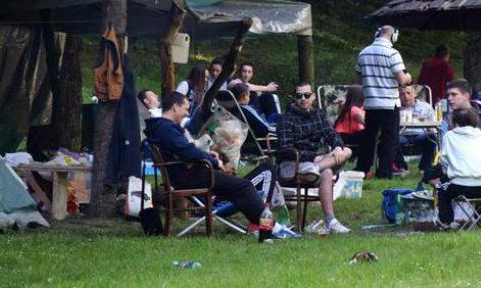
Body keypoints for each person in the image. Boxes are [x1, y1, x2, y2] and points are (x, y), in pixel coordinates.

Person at [144, 92, 267, 229]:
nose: (187, 113)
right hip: (191, 177)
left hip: (183, 177)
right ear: (175, 107)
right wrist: (215, 162)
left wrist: (206, 154)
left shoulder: (158, 127)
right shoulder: (167, 128)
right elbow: (188, 152)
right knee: (244, 186)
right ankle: (268, 227)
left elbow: (184, 150)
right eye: (186, 109)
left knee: (238, 188)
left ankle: (264, 226)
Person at [277, 82, 352, 234]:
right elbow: (285, 150)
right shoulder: (286, 118)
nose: (303, 99)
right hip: (291, 164)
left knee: (346, 152)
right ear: (295, 98)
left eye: (306, 95)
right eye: (299, 96)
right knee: (327, 171)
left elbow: (332, 135)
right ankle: (318, 166)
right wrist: (314, 157)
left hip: (313, 164)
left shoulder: (319, 115)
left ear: (313, 97)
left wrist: (337, 146)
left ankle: (330, 221)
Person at [354, 26, 411, 179]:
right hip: (389, 104)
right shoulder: (393, 53)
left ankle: (362, 169)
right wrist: (409, 77)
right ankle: (384, 172)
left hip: (370, 103)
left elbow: (358, 80)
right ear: (394, 37)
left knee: (369, 138)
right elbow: (402, 81)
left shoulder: (363, 52)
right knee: (389, 139)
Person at [436, 107, 481, 229]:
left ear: (454, 121)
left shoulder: (449, 136)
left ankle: (446, 222)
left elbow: (443, 161)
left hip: (462, 188)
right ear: (475, 120)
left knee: (441, 187)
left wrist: (450, 171)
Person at [440, 79, 481, 147]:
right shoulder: (447, 119)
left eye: (454, 94)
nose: (449, 98)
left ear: (466, 96)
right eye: (448, 95)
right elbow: (442, 146)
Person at [395, 85, 437, 173]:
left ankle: (425, 167)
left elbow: (433, 123)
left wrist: (431, 128)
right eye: (402, 94)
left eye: (408, 93)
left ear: (415, 94)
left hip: (421, 134)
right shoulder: (396, 108)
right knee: (392, 140)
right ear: (399, 95)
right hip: (402, 134)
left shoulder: (426, 107)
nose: (406, 96)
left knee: (432, 138)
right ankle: (401, 167)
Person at [333, 85, 367, 166]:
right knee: (370, 135)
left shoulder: (351, 107)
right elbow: (369, 124)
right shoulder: (354, 110)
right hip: (343, 137)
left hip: (346, 135)